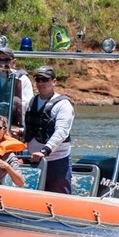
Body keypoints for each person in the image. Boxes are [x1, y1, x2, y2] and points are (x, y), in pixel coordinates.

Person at [24, 66, 74, 194]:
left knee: (59, 196)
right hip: (33, 160)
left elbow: (62, 132)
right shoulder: (32, 101)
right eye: (38, 80)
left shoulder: (63, 104)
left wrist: (45, 151)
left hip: (57, 161)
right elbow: (30, 127)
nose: (41, 83)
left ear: (54, 82)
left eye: (45, 80)